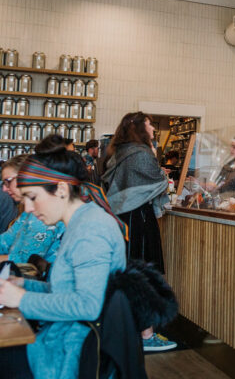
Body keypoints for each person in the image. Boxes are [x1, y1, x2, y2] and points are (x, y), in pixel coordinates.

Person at [0, 143, 127, 379]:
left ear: (61, 189)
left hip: (66, 355)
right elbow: (65, 290)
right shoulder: (81, 222)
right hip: (59, 340)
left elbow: (88, 305)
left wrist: (21, 298)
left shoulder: (92, 230)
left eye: (33, 198)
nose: (29, 208)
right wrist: (24, 285)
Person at [102, 111, 176, 352]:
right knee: (143, 272)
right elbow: (157, 182)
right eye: (150, 125)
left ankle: (131, 329)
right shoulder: (141, 154)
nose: (153, 129)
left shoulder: (119, 152)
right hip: (139, 218)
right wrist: (161, 170)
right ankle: (146, 335)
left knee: (127, 272)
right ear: (140, 128)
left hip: (121, 218)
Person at [0, 154, 64, 264]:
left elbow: (23, 260)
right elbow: (1, 243)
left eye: (8, 181)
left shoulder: (44, 216)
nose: (4, 188)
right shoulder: (28, 214)